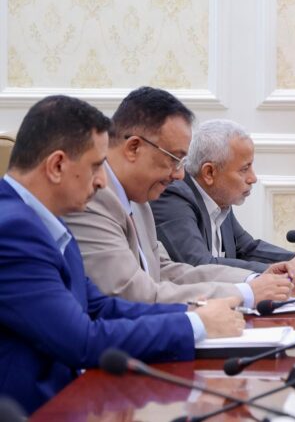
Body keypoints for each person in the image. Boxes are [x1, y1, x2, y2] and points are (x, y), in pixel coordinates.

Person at [0, 96, 242, 414]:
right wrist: (194, 324)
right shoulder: (13, 230)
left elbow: (102, 307)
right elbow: (82, 340)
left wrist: (193, 313)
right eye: (95, 166)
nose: (103, 180)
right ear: (57, 166)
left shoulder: (47, 222)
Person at [64, 87, 294, 305]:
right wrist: (245, 293)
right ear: (134, 148)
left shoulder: (139, 201)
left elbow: (166, 271)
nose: (180, 174)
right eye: (174, 159)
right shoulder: (90, 200)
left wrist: (252, 280)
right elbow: (130, 293)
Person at [152, 119, 295, 274]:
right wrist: (284, 268)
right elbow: (200, 266)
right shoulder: (173, 197)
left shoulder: (219, 199)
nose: (253, 178)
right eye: (244, 169)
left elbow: (247, 249)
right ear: (209, 172)